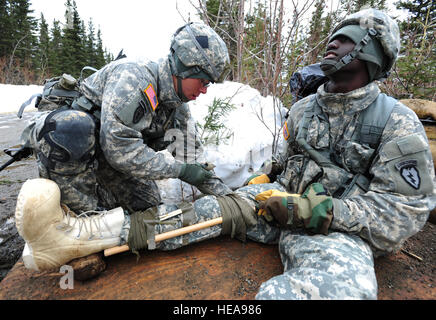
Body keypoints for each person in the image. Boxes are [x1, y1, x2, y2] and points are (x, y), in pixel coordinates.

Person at [15, 9, 435, 300]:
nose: (331, 44)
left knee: (341, 291)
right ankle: (74, 235)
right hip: (274, 205)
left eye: (344, 39)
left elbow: (406, 212)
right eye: (331, 36)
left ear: (371, 53)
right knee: (185, 216)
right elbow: (126, 149)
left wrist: (319, 211)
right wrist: (247, 190)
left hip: (334, 233)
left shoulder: (395, 122)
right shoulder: (306, 109)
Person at [20, 22, 233, 216]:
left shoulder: (177, 107)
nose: (204, 90)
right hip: (71, 145)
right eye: (203, 82)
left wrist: (232, 199)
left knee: (148, 210)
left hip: (108, 155)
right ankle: (75, 213)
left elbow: (190, 157)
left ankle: (102, 198)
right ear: (185, 68)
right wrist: (180, 171)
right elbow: (120, 151)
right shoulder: (135, 80)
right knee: (74, 129)